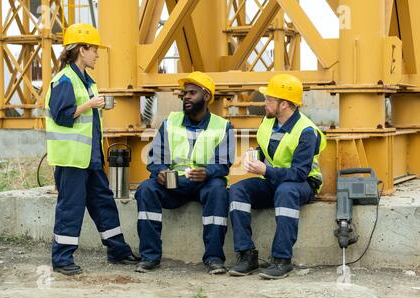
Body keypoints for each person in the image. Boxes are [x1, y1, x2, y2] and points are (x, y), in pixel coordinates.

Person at [45, 23, 138, 276]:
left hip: (90, 157)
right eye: (94, 49)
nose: (97, 54)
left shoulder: (87, 80)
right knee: (71, 207)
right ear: (81, 50)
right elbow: (62, 116)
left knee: (103, 202)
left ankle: (118, 250)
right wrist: (89, 104)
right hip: (72, 159)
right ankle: (62, 259)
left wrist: (97, 106)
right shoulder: (64, 79)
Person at [134, 72, 235, 274]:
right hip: (174, 184)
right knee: (146, 189)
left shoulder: (222, 126)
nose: (186, 97)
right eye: (184, 93)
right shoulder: (170, 123)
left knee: (218, 189)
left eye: (192, 93)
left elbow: (224, 163)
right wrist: (160, 171)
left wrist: (207, 172)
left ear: (206, 96)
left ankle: (214, 258)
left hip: (204, 184)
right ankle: (150, 257)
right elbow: (155, 157)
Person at [228, 74, 326, 279]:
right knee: (238, 190)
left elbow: (299, 173)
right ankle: (247, 255)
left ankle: (282, 260)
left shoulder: (307, 131)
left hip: (303, 184)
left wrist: (265, 170)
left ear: (284, 105)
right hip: (274, 180)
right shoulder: (269, 120)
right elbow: (268, 148)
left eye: (270, 100)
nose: (265, 103)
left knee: (286, 190)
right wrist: (254, 155)